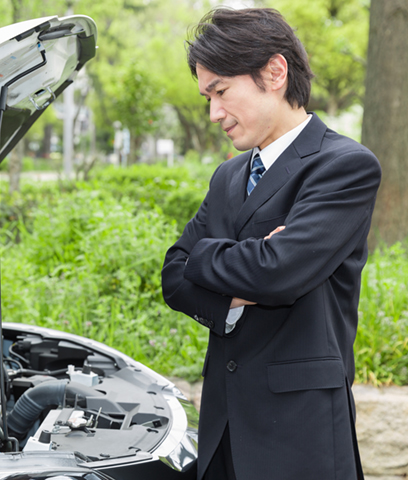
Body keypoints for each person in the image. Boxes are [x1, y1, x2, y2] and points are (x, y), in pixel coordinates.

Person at [161, 8, 381, 480]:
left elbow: (278, 272)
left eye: (220, 91)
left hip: (300, 437)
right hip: (222, 427)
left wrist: (209, 260)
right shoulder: (228, 175)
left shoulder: (344, 165)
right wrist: (250, 266)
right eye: (207, 97)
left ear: (275, 72)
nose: (214, 112)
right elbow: (173, 278)